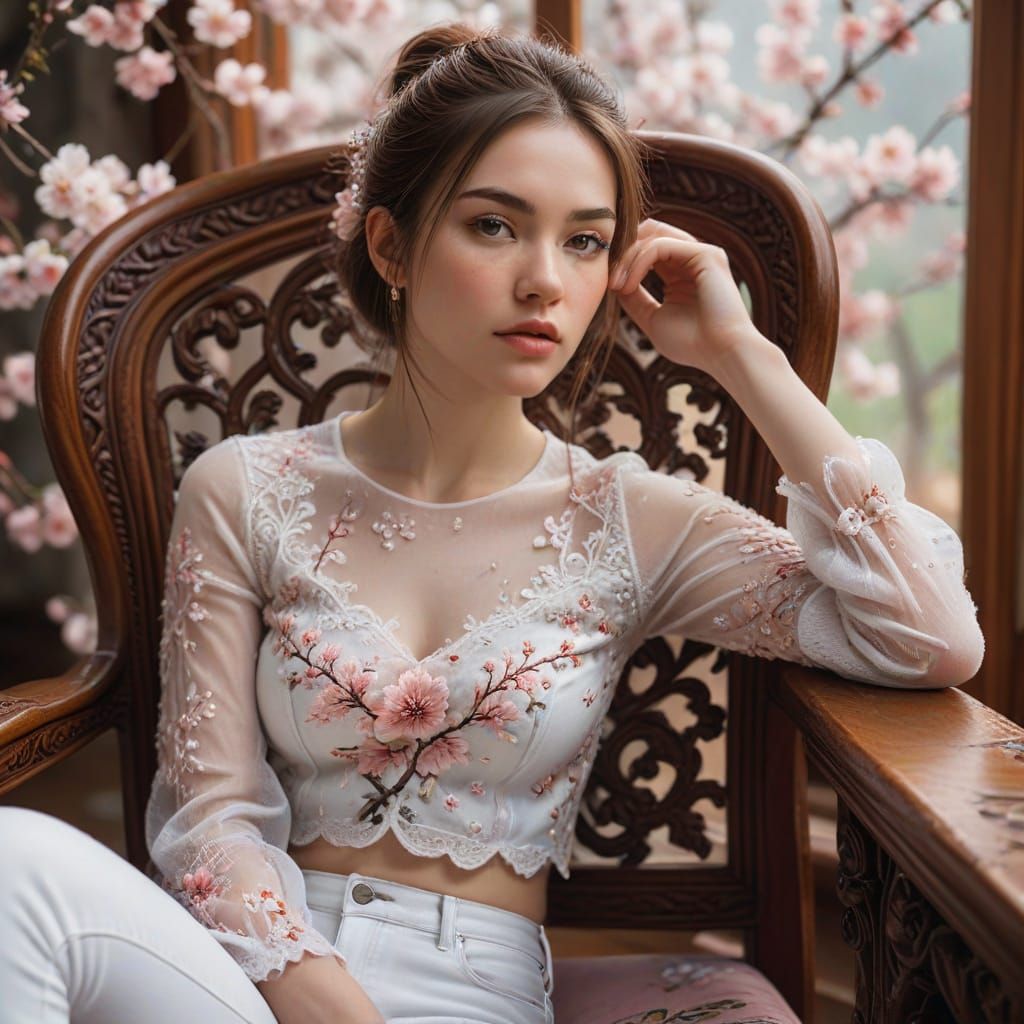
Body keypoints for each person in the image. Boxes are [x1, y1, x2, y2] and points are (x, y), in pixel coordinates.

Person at [0, 20, 985, 1024]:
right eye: (493, 225)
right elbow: (210, 815)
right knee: (14, 865)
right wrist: (316, 993)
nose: (544, 281)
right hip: (250, 977)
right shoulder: (244, 488)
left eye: (585, 240)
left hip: (469, 988)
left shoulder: (628, 519)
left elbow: (927, 634)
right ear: (391, 244)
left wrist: (743, 357)